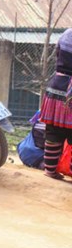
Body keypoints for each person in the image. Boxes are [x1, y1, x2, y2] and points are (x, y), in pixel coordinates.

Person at [39, 29, 72, 180]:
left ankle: (50, 170)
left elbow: (58, 55)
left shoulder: (66, 34)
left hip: (57, 86)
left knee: (53, 131)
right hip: (68, 91)